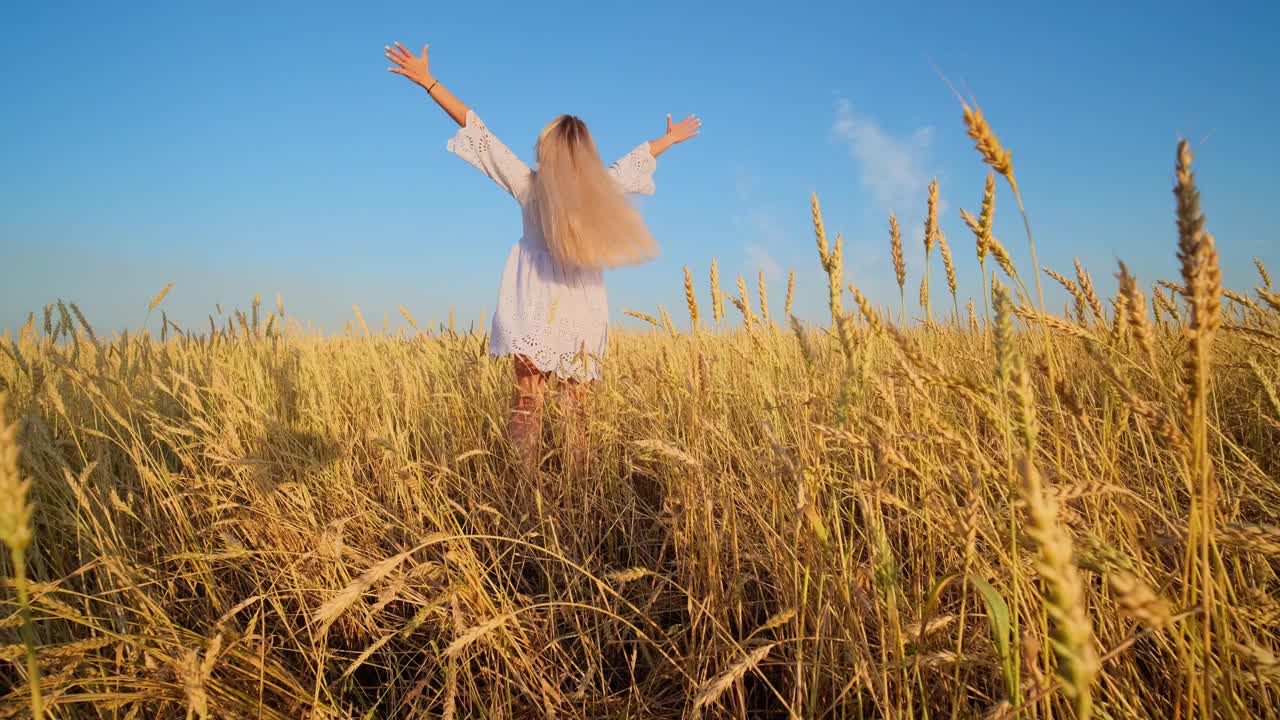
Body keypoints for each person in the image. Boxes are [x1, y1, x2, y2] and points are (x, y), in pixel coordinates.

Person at [385, 41, 701, 474]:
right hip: (582, 304)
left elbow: (480, 133)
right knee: (578, 409)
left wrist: (429, 82)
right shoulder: (600, 187)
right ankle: (579, 491)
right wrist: (671, 137)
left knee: (527, 402)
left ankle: (522, 487)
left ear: (545, 149)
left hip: (532, 300)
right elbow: (636, 159)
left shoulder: (528, 184)